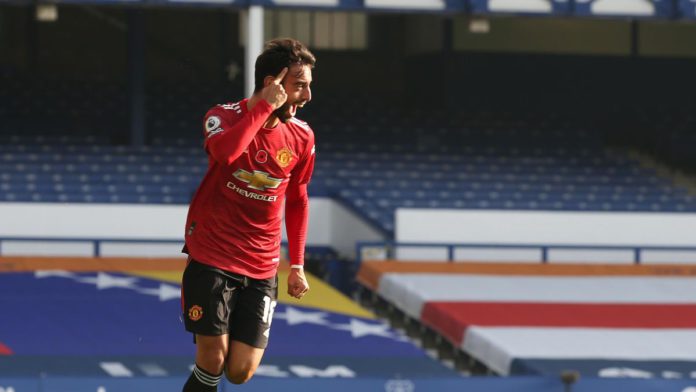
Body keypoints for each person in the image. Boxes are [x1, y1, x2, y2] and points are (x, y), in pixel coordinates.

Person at [180, 38, 316, 391]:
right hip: (212, 253)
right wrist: (262, 109)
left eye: (308, 86)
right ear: (273, 83)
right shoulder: (221, 116)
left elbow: (298, 197)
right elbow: (227, 155)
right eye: (299, 85)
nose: (307, 96)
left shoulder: (302, 137)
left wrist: (297, 265)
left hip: (261, 264)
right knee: (213, 358)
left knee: (240, 371)